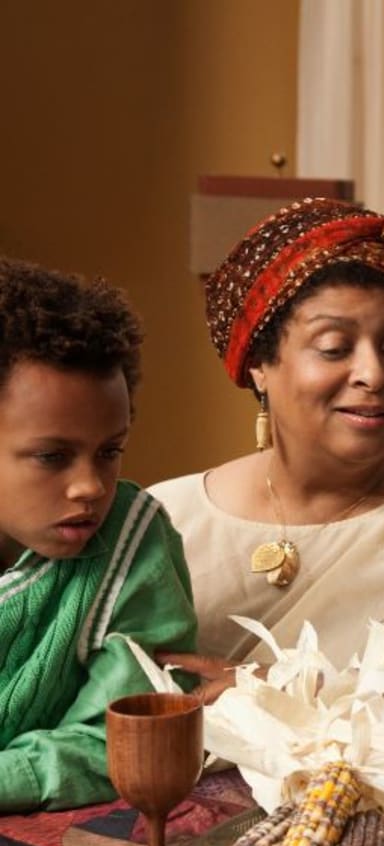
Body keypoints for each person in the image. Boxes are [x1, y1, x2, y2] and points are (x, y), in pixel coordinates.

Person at [150, 195, 384, 768]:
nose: (374, 374)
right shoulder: (163, 521)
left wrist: (281, 705)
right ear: (260, 364)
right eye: (334, 347)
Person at [0, 258, 197, 811]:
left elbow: (119, 740)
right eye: (52, 456)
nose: (90, 486)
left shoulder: (133, 540)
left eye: (110, 451)